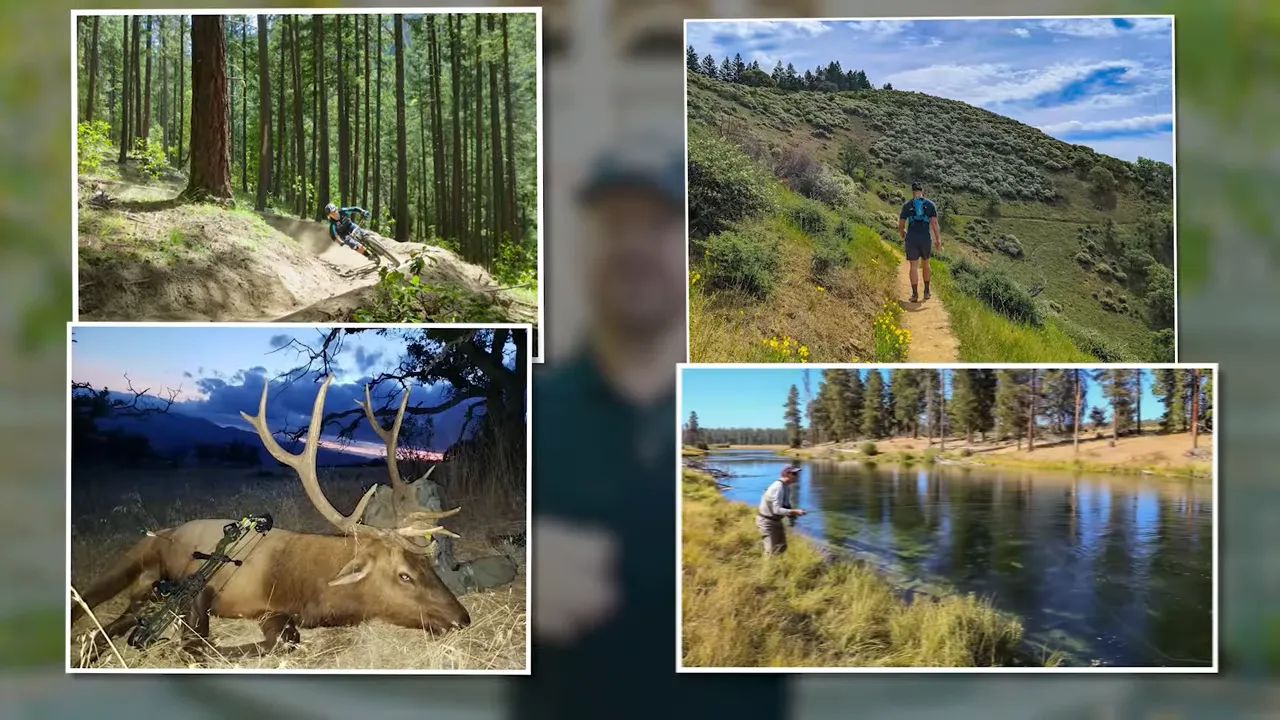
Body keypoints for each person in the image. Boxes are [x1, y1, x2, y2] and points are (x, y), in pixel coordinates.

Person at [511, 131, 788, 717]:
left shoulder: (700, 406)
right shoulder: (529, 410)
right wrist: (526, 580)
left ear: (688, 246)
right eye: (614, 224)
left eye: (657, 224)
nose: (633, 244)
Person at [898, 181, 942, 302]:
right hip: (925, 238)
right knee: (926, 264)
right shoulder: (930, 204)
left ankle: (914, 294)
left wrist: (903, 233)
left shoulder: (907, 205)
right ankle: (927, 292)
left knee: (913, 266)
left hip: (912, 238)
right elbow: (934, 223)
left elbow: (901, 224)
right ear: (922, 191)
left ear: (912, 192)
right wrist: (938, 239)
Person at [756, 465, 806, 555]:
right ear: (786, 474)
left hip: (776, 521)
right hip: (767, 522)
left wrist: (792, 516)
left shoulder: (786, 487)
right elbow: (777, 510)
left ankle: (777, 567)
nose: (797, 476)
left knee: (781, 547)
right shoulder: (778, 487)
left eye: (797, 473)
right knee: (771, 551)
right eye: (794, 473)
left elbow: (785, 505)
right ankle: (767, 568)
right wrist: (794, 511)